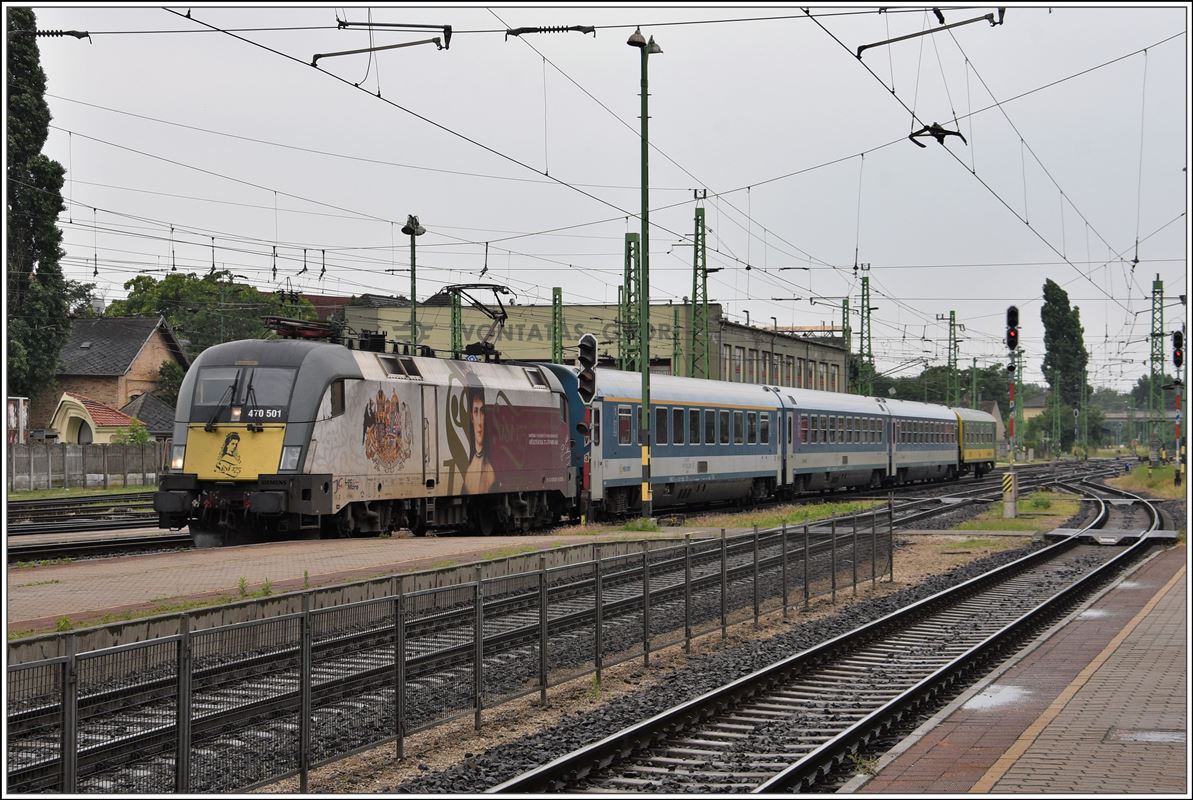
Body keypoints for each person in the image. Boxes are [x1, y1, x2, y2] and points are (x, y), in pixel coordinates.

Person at [462, 386, 496, 494]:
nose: (479, 422)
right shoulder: (468, 469)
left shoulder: (490, 469)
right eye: (476, 411)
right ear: (471, 417)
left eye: (482, 412)